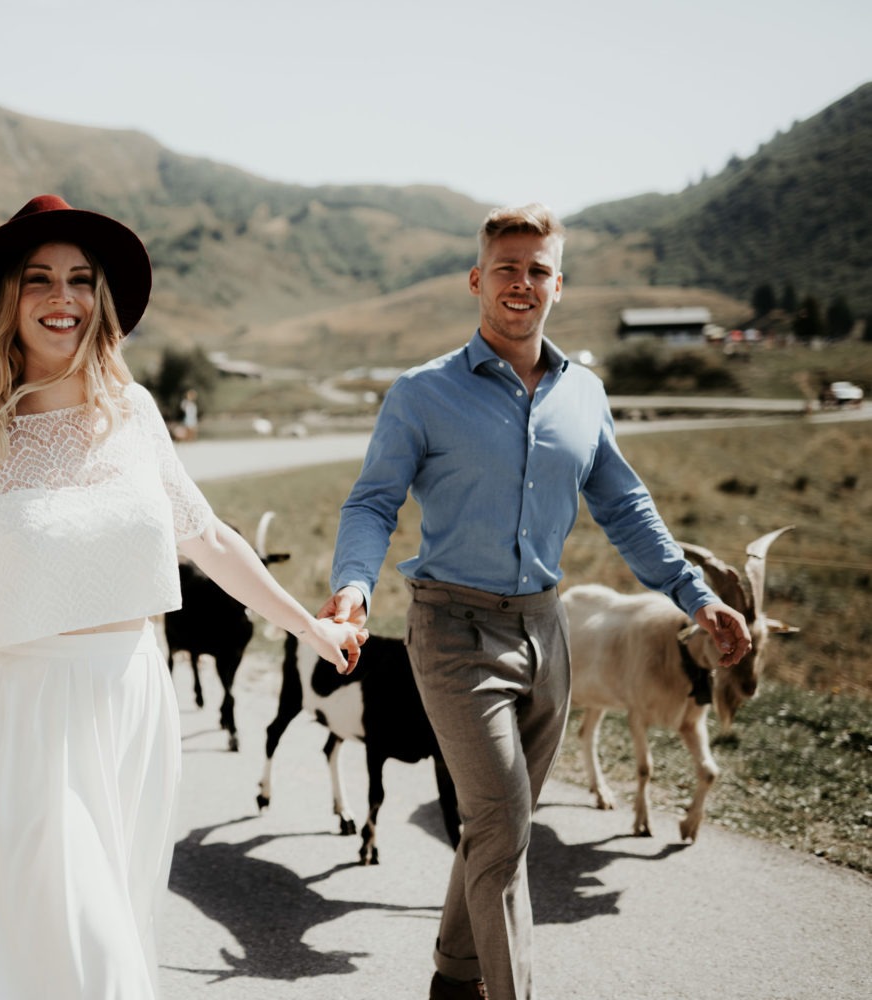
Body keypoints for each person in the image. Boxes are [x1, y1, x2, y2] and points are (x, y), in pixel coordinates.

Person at [0, 194, 362, 999]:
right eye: (39, 279)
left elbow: (209, 540)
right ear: (8, 300)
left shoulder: (135, 414)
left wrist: (307, 628)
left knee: (108, 930)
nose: (63, 297)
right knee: (93, 960)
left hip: (135, 707)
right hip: (27, 721)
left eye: (81, 279)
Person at [322, 204, 752, 1000]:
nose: (523, 283)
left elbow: (626, 508)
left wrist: (695, 598)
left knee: (498, 827)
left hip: (546, 633)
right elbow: (373, 502)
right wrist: (353, 584)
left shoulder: (584, 394)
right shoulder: (422, 393)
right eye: (507, 269)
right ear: (477, 280)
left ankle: (453, 981)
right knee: (502, 824)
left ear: (560, 284)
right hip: (452, 630)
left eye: (539, 270)